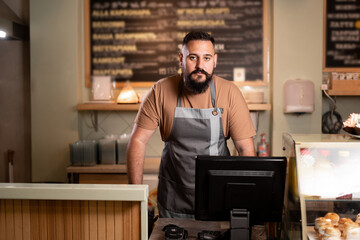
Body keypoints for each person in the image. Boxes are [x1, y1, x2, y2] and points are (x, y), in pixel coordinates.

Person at [126, 31, 256, 218]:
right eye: (192, 57)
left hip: (217, 201)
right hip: (173, 202)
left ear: (215, 61)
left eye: (206, 58)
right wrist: (135, 198)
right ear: (181, 59)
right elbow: (137, 141)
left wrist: (244, 200)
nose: (200, 66)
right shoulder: (160, 91)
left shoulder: (230, 93)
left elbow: (245, 149)